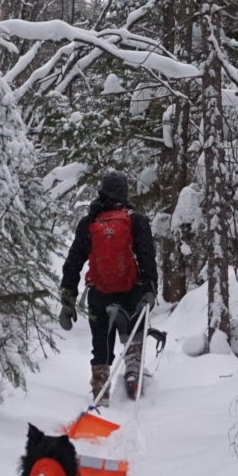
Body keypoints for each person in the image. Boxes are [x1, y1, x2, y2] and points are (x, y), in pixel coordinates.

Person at [59, 171, 157, 404]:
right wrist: (150, 288)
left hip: (99, 294)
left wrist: (67, 300)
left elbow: (73, 263)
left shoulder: (89, 223)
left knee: (100, 346)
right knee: (134, 334)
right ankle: (133, 374)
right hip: (131, 292)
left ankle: (100, 393)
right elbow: (147, 258)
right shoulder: (136, 220)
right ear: (125, 192)